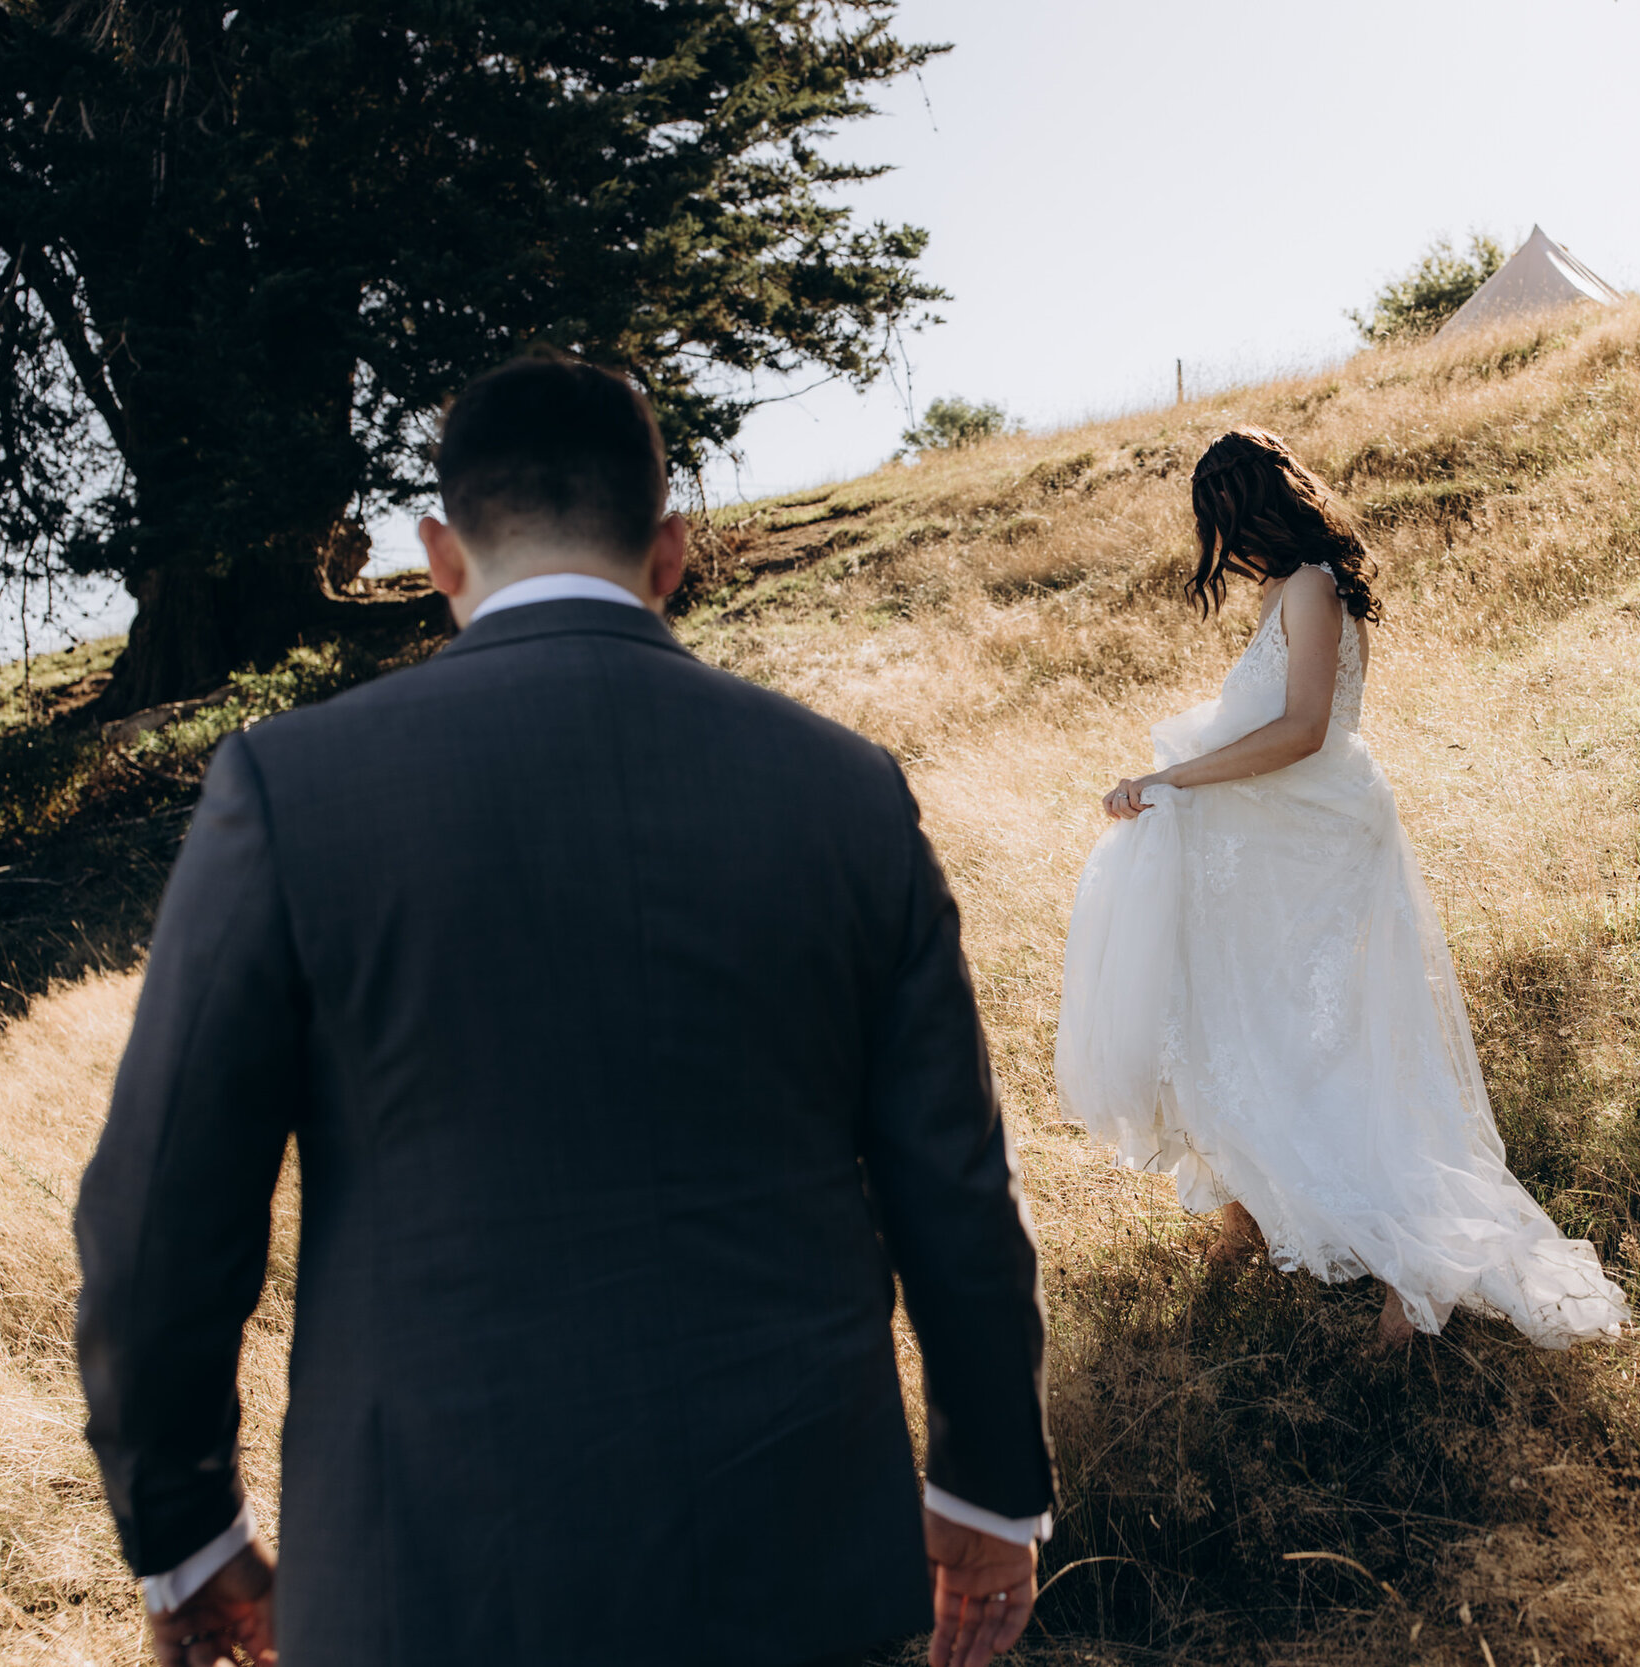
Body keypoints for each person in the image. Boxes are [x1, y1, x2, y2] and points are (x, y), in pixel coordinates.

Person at [74, 355, 1055, 1667]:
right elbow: (957, 1184)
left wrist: (187, 1535)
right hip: (799, 1561)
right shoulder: (845, 791)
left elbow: (155, 1218)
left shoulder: (291, 789)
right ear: (670, 551)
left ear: (439, 554)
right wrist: (987, 1489)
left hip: (426, 1578)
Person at [1053, 427, 1629, 1350]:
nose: (1221, 547)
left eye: (1223, 522)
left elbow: (1304, 731)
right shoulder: (1285, 591)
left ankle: (1414, 1267)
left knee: (1337, 1052)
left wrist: (1173, 781)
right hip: (1278, 854)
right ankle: (1252, 1208)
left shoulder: (1315, 585)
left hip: (1317, 852)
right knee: (1253, 1032)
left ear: (1252, 508)